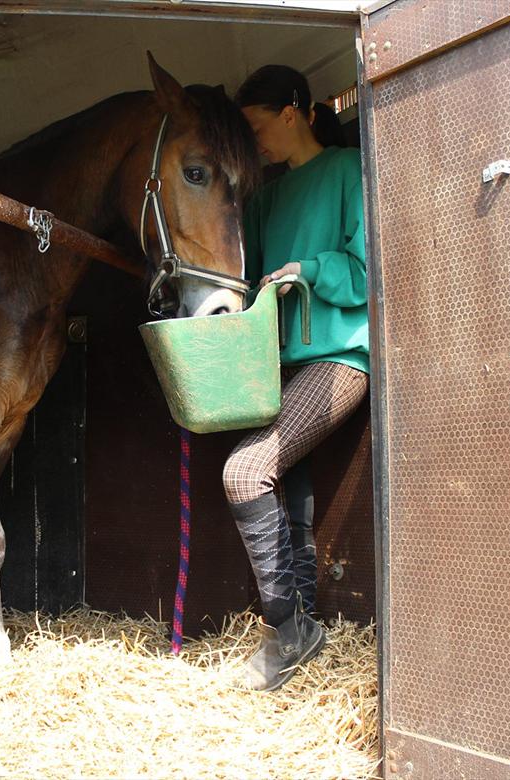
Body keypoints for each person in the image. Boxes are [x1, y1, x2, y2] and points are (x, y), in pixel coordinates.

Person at [227, 65, 369, 691]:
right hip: (277, 365)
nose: (254, 142)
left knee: (244, 472)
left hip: (338, 359)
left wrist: (307, 269)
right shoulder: (264, 199)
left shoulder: (346, 171)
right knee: (292, 491)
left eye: (257, 127)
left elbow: (365, 273)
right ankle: (303, 628)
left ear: (291, 114)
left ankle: (287, 631)